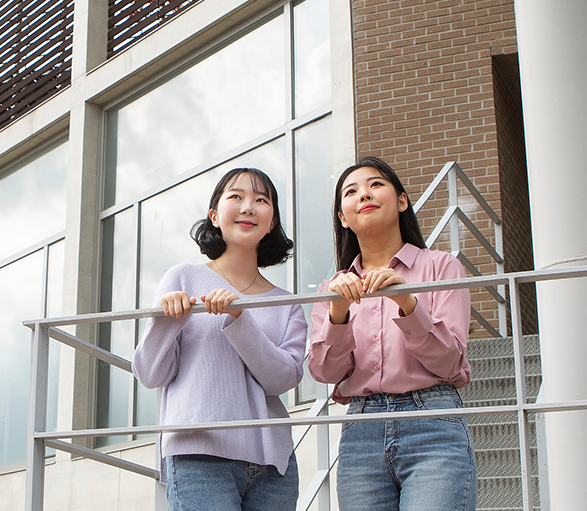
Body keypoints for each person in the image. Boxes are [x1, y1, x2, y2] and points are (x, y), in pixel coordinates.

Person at [134, 167, 308, 511]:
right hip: (198, 455)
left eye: (261, 200)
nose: (248, 207)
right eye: (236, 197)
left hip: (273, 466)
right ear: (214, 215)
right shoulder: (182, 277)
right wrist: (167, 322)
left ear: (272, 222)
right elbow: (149, 374)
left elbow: (283, 380)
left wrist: (239, 318)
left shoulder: (286, 303)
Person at [308, 157, 475, 510]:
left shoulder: (442, 267)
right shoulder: (331, 288)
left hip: (432, 420)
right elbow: (325, 372)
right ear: (343, 217)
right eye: (350, 192)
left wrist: (408, 303)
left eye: (375, 184)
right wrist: (338, 313)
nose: (363, 194)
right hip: (361, 431)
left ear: (402, 201)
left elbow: (450, 361)